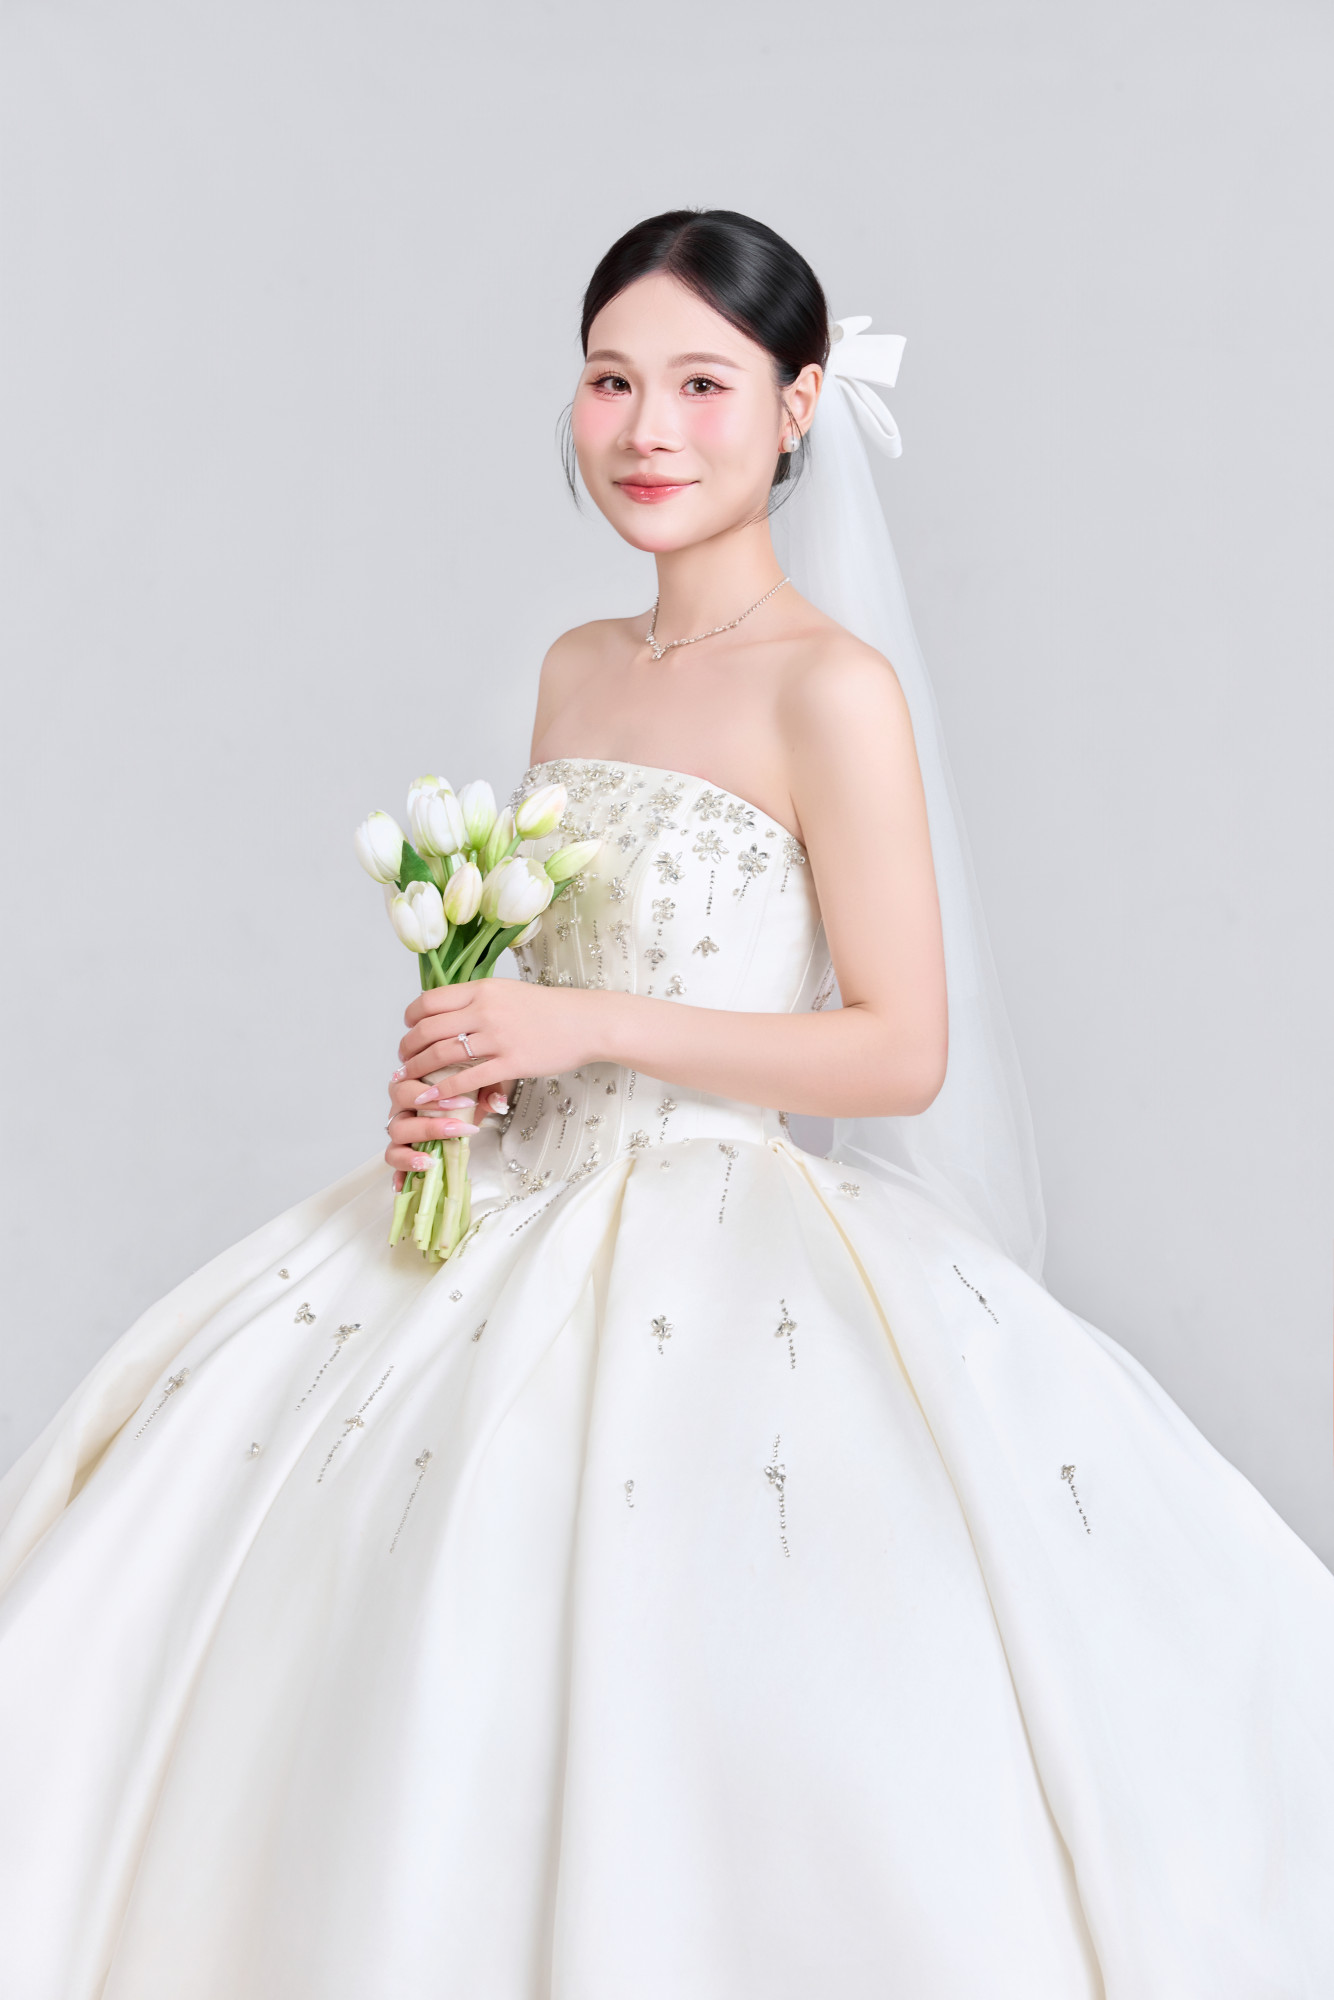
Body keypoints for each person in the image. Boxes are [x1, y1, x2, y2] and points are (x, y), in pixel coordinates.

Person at [0, 209, 1330, 2000]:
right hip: (497, 1224)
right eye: (612, 380)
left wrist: (578, 1023)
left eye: (703, 384)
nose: (646, 431)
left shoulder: (831, 689)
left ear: (798, 407)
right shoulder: (577, 666)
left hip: (715, 1236)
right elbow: (555, 970)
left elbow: (897, 1049)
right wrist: (464, 1075)